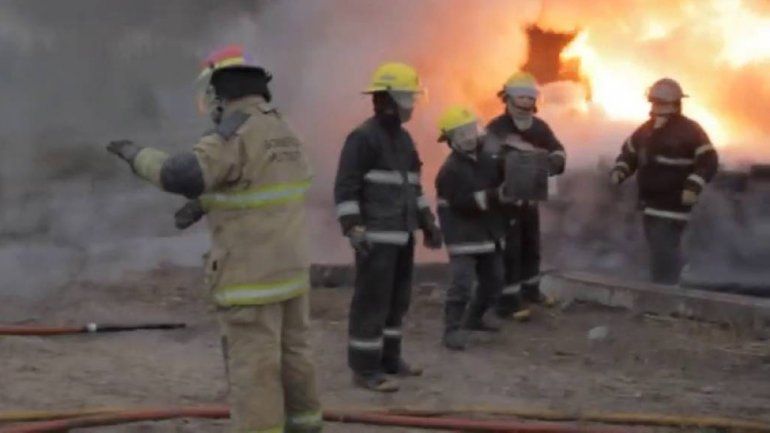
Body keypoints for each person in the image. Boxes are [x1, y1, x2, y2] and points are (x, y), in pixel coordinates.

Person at [107, 45, 322, 433]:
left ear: (221, 92)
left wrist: (135, 155)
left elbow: (180, 174)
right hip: (291, 274)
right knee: (295, 361)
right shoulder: (283, 129)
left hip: (251, 282)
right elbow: (262, 184)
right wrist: (209, 202)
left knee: (255, 375)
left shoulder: (233, 133)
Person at [333, 61, 443, 392]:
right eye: (409, 97)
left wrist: (427, 222)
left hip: (402, 233)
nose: (413, 105)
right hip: (376, 237)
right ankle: (365, 369)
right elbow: (346, 188)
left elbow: (413, 186)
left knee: (397, 300)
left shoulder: (404, 140)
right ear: (391, 98)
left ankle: (390, 359)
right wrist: (353, 228)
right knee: (372, 301)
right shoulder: (363, 138)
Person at [610, 78, 718, 284]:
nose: (657, 108)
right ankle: (668, 283)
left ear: (675, 104)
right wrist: (620, 171)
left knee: (664, 247)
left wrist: (693, 185)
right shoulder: (646, 130)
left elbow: (709, 160)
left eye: (662, 103)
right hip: (650, 204)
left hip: (673, 204)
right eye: (654, 103)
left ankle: (666, 292)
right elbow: (629, 154)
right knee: (658, 247)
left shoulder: (690, 130)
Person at [483, 72, 566, 318]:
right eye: (521, 99)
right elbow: (486, 162)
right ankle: (508, 301)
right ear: (507, 99)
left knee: (532, 245)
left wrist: (552, 163)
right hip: (506, 202)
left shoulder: (540, 128)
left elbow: (558, 150)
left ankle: (531, 290)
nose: (525, 105)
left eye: (530, 99)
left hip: (530, 199)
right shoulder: (496, 129)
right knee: (511, 249)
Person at [434, 105, 507, 350]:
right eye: (460, 134)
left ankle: (474, 318)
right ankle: (452, 330)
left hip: (487, 234)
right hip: (462, 236)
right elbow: (463, 203)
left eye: (470, 131)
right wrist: (497, 196)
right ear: (450, 140)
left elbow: (503, 180)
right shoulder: (450, 170)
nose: (468, 137)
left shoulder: (488, 160)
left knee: (494, 280)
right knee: (462, 284)